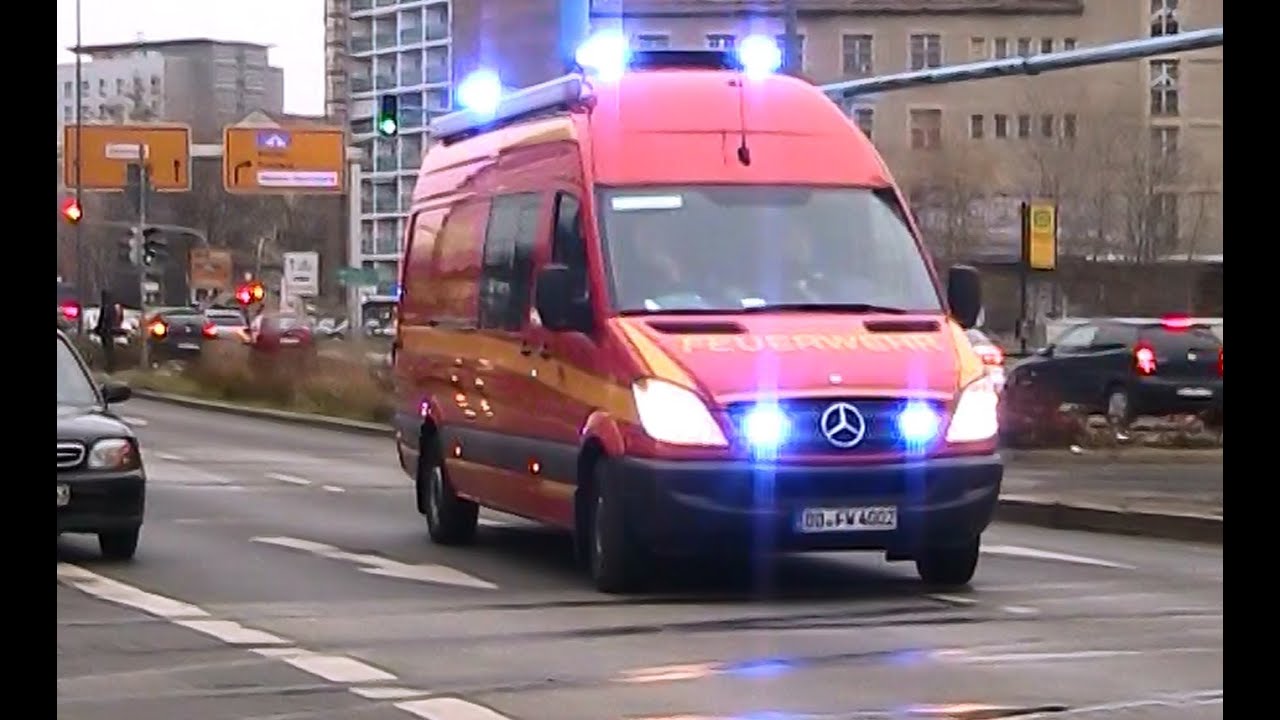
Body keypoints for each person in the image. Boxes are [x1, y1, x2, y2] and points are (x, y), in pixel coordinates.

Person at [94, 290, 120, 372]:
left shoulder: (106, 307)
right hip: (109, 331)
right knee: (110, 348)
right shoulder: (112, 307)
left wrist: (99, 328)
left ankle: (110, 366)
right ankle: (111, 365)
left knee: (108, 349)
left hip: (106, 331)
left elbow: (103, 319)